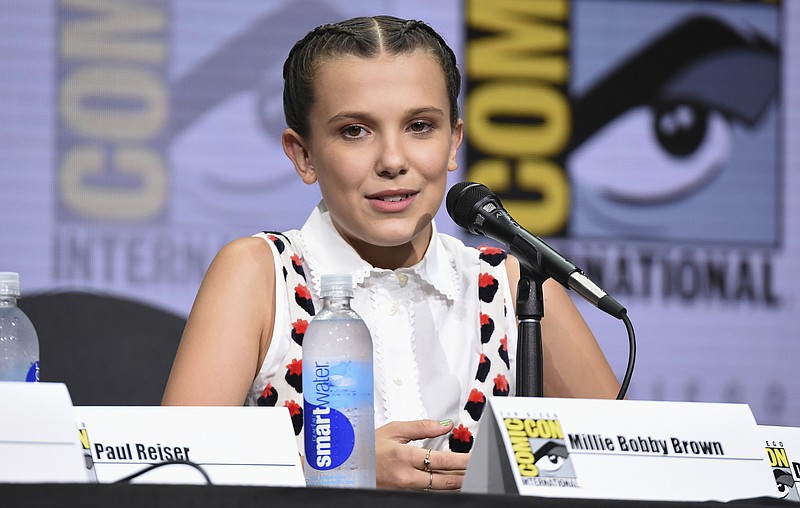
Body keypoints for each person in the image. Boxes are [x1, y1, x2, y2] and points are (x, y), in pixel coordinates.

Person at [162, 15, 620, 491]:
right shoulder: (260, 274)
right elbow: (173, 475)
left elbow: (629, 467)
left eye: (420, 126)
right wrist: (337, 471)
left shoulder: (512, 286)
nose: (393, 160)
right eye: (355, 131)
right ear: (303, 155)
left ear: (453, 142)